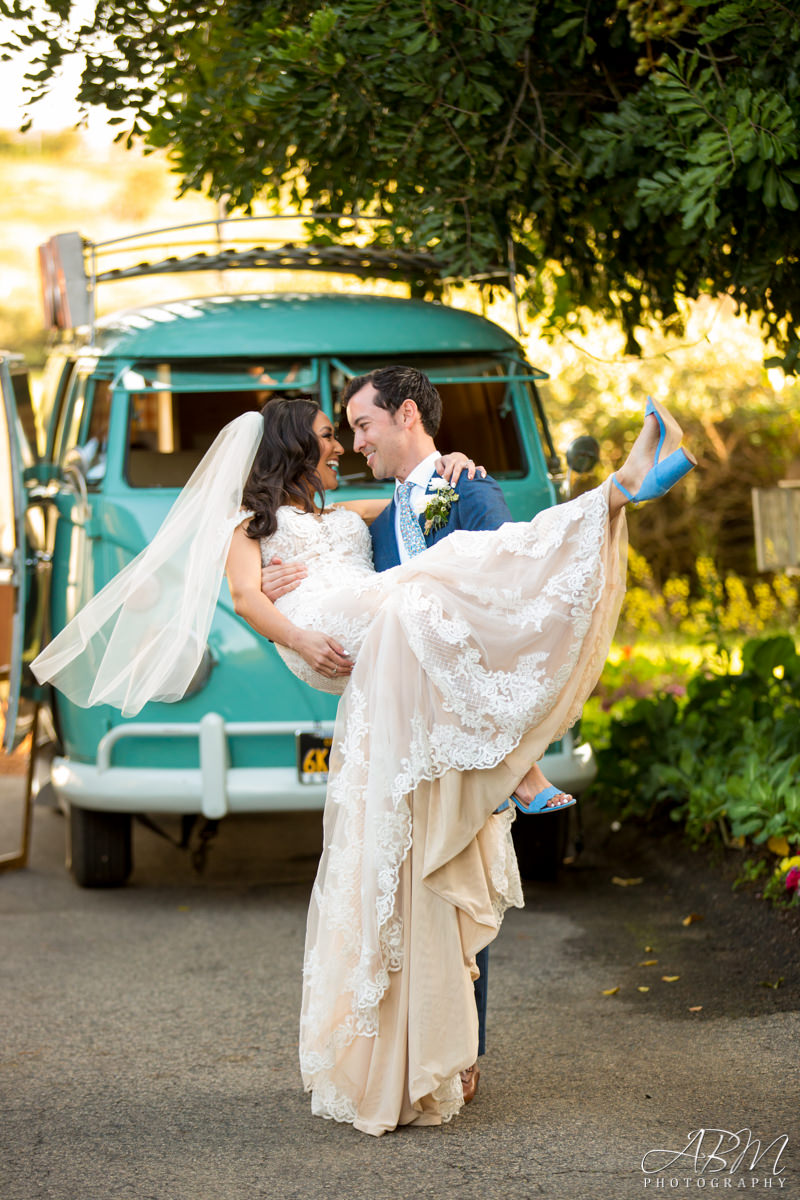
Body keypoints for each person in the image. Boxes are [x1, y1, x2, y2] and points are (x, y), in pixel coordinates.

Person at [31, 388, 696, 1137]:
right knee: (428, 597)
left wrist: (449, 464)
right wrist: (300, 635)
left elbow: (415, 504)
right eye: (327, 434)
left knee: (460, 571)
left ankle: (612, 497)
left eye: (349, 429)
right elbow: (248, 599)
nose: (341, 445)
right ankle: (522, 748)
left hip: (374, 614)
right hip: (331, 629)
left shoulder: (345, 515)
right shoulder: (244, 524)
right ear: (292, 444)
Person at [259, 365, 574, 1106]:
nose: (354, 441)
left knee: (454, 880)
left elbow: (503, 604)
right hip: (396, 735)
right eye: (343, 431)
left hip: (457, 731)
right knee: (400, 893)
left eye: (361, 425)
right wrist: (282, 589)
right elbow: (330, 562)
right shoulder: (383, 512)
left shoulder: (468, 492)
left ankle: (464, 1049)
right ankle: (411, 1046)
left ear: (405, 415)